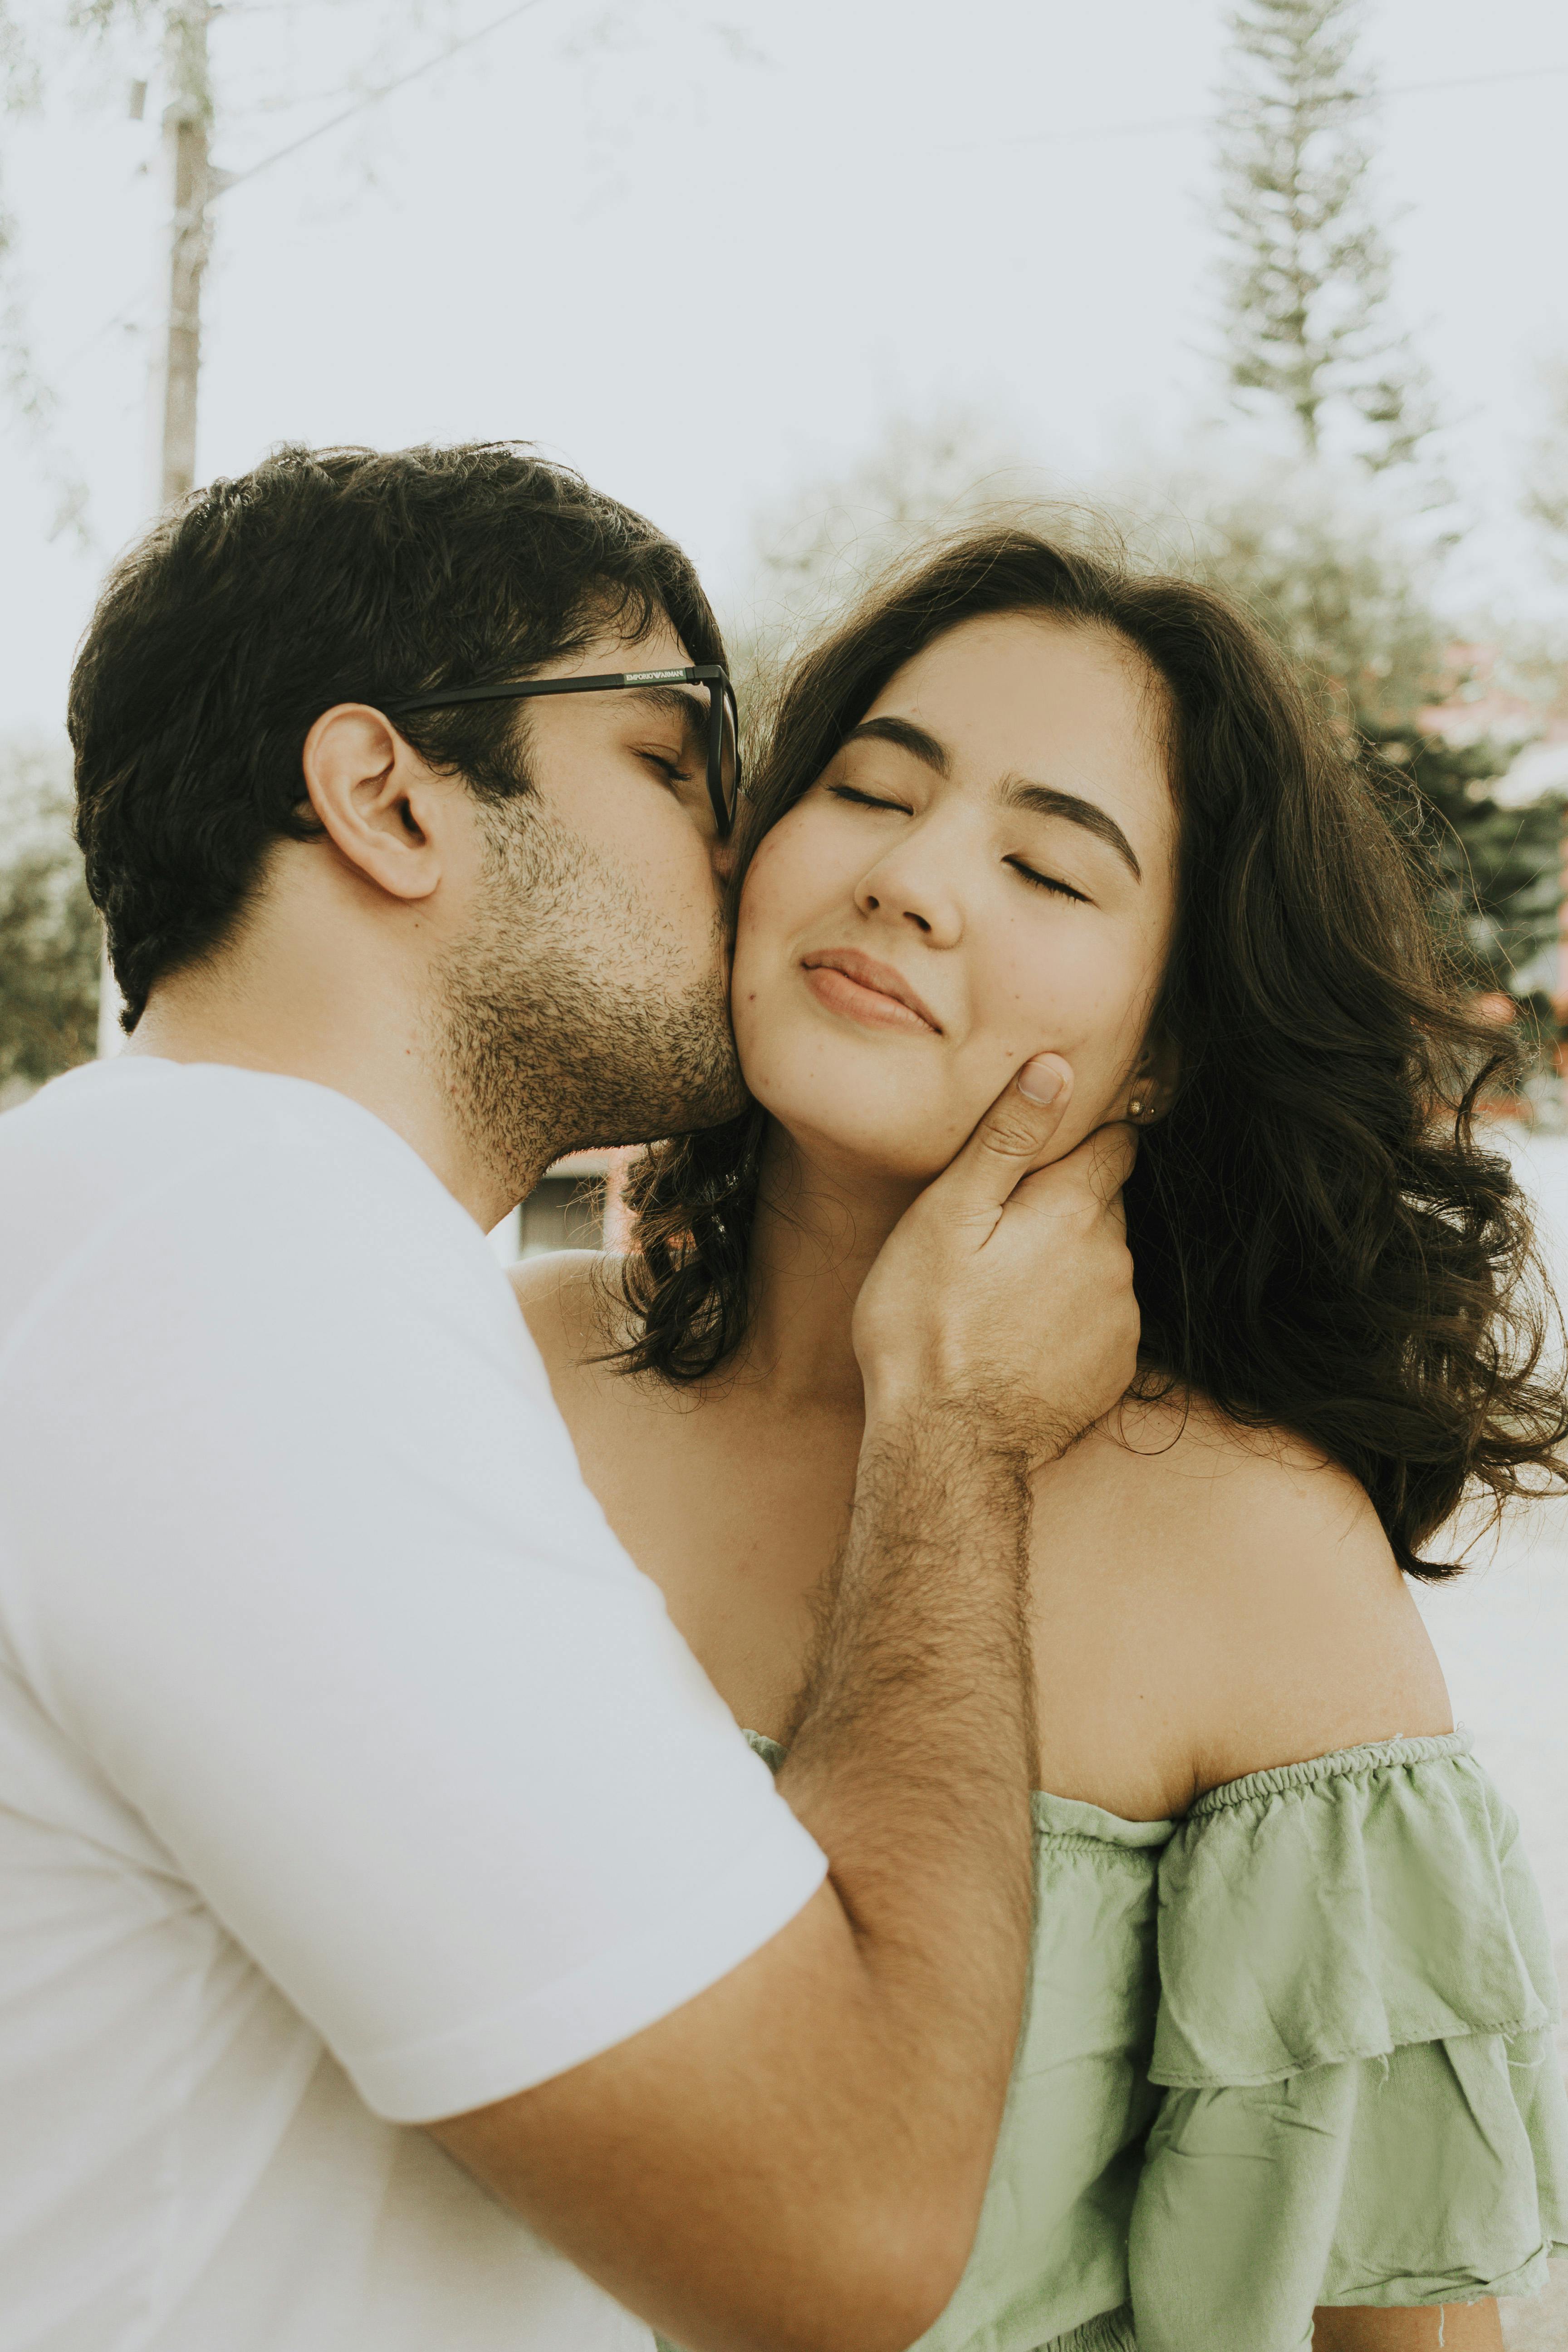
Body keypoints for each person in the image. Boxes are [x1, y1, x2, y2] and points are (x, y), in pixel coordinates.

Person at [0, 450, 1143, 2352]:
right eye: (678, 762)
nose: (746, 847)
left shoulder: (165, 1230)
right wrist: (951, 1431)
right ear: (389, 800)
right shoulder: (247, 1257)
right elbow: (838, 2218)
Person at [515, 526, 1568, 2352]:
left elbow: (1392, 2327)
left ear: (1163, 1043)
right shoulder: (474, 1382)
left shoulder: (1247, 1550)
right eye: (870, 791)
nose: (917, 883)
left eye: (1048, 868)